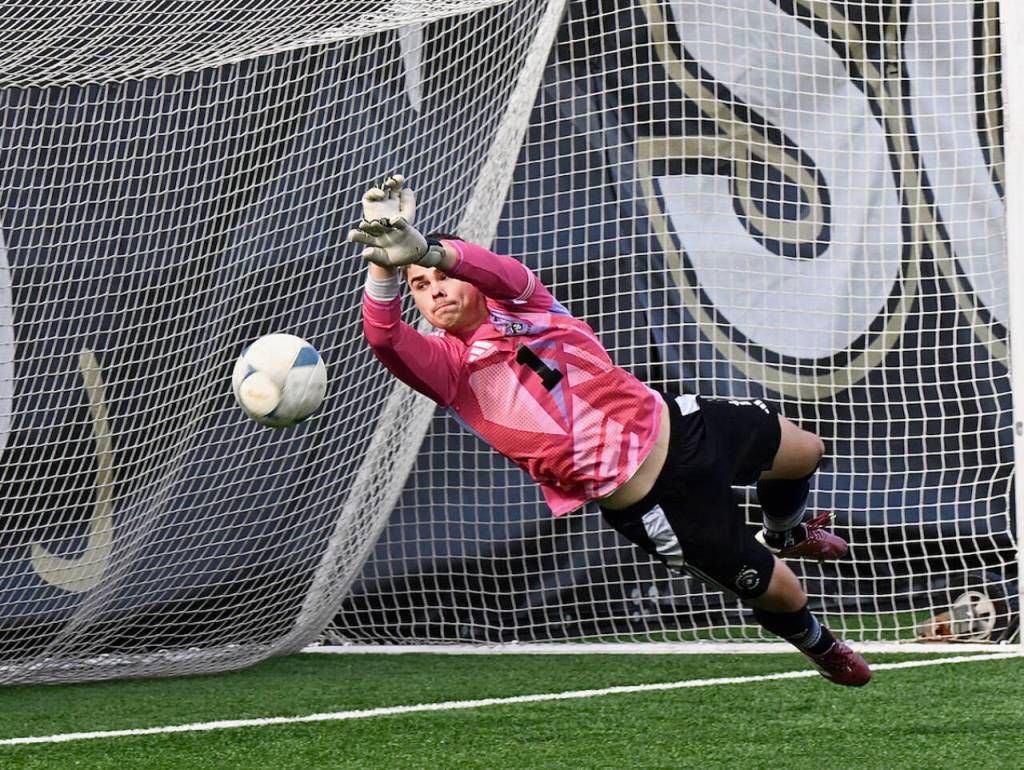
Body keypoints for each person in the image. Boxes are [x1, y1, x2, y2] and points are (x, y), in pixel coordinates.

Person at [350, 176, 870, 687]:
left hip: (682, 423)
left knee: (805, 450)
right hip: (658, 502)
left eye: (442, 278)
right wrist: (382, 270)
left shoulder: (527, 304)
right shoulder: (449, 370)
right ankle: (819, 645)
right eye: (419, 285)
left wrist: (429, 251)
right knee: (782, 592)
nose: (435, 290)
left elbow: (501, 271)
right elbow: (384, 337)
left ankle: (785, 532)